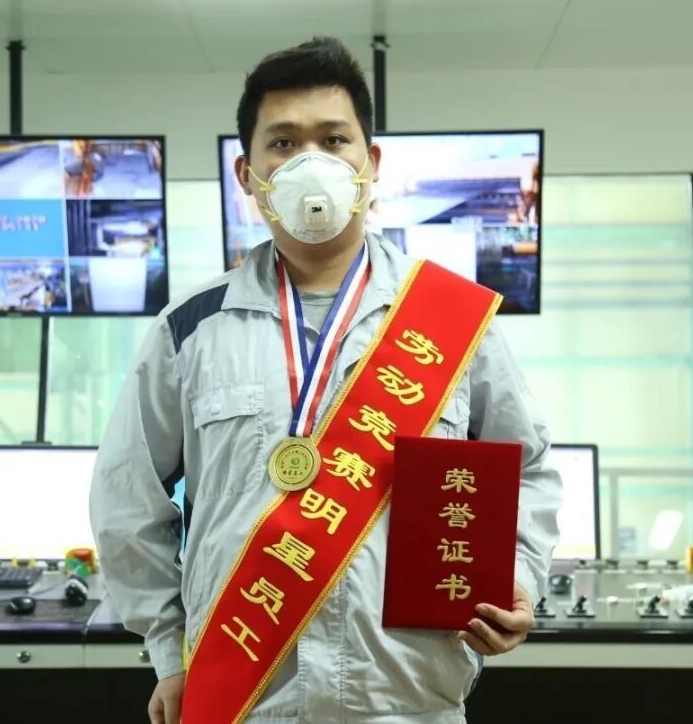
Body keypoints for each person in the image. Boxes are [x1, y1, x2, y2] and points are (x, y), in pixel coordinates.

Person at [89, 36, 561, 724]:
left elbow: (529, 470)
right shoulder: (190, 329)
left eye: (334, 139)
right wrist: (170, 650)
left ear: (371, 164)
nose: (310, 162)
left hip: (408, 700)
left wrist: (514, 579)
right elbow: (126, 499)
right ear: (247, 174)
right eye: (283, 143)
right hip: (240, 696)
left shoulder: (456, 322)